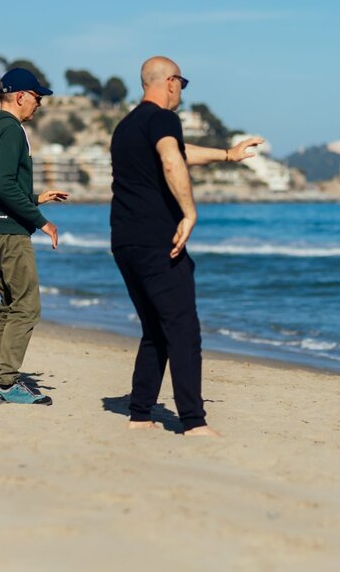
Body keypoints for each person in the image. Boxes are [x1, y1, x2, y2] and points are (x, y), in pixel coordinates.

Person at [110, 55, 263, 435]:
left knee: (155, 328)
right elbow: (170, 159)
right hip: (156, 238)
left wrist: (228, 155)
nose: (182, 91)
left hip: (124, 241)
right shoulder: (163, 118)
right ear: (171, 82)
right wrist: (189, 212)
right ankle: (193, 422)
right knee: (181, 327)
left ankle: (140, 413)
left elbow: (178, 151)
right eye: (183, 83)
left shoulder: (126, 127)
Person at [0, 67, 68, 405]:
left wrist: (37, 197)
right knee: (27, 307)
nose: (39, 104)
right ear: (21, 96)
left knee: (9, 306)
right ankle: (7, 384)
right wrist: (43, 222)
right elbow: (5, 185)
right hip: (8, 232)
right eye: (37, 98)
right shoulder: (11, 130)